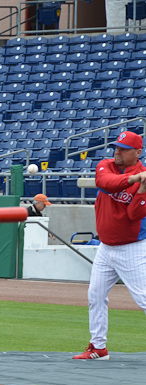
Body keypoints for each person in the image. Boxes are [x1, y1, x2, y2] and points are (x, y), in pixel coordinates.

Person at [74, 131, 146, 360]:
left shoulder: (143, 177)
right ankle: (98, 347)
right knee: (95, 295)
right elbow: (104, 183)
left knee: (143, 299)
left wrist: (143, 188)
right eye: (117, 147)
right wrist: (135, 181)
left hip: (132, 248)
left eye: (124, 149)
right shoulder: (107, 165)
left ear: (137, 152)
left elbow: (135, 214)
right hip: (105, 248)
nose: (118, 152)